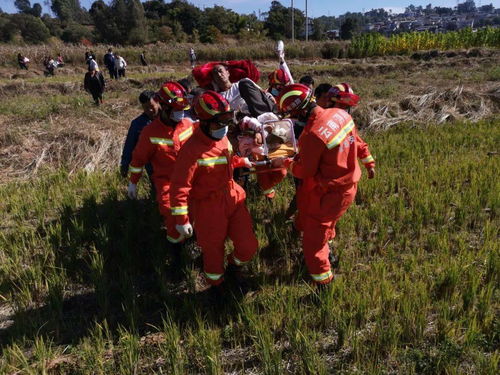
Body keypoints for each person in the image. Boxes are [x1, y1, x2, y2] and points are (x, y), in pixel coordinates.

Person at [273, 83, 375, 290]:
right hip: (346, 188)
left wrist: (284, 162)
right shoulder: (340, 114)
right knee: (323, 222)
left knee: (313, 245)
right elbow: (355, 143)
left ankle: (323, 286)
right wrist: (369, 163)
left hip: (328, 194)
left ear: (299, 111)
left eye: (291, 114)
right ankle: (322, 246)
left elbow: (305, 172)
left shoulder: (313, 134)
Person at [169, 91, 259, 298]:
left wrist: (240, 161)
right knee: (212, 251)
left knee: (248, 245)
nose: (226, 125)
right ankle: (216, 287)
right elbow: (180, 187)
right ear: (205, 122)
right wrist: (182, 220)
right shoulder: (191, 151)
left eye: (229, 119)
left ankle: (234, 266)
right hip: (209, 206)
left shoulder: (222, 137)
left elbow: (224, 160)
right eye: (221, 121)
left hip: (233, 196)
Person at [127, 82, 196, 250]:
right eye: (177, 110)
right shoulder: (150, 132)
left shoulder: (188, 124)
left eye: (182, 110)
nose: (181, 114)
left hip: (191, 180)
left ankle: (192, 241)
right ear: (164, 108)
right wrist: (133, 182)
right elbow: (138, 159)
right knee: (172, 214)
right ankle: (176, 252)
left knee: (195, 212)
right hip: (167, 183)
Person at [120, 90, 161, 179]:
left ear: (157, 102)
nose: (150, 110)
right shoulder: (137, 124)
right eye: (146, 108)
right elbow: (129, 145)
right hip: (152, 168)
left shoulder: (167, 118)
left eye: (152, 106)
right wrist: (125, 164)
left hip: (172, 164)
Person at [211, 64, 276, 117]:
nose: (219, 75)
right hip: (246, 116)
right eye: (216, 74)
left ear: (228, 73)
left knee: (244, 83)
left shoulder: (243, 82)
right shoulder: (219, 97)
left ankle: (265, 116)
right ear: (214, 80)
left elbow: (262, 92)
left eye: (220, 71)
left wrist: (270, 96)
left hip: (261, 108)